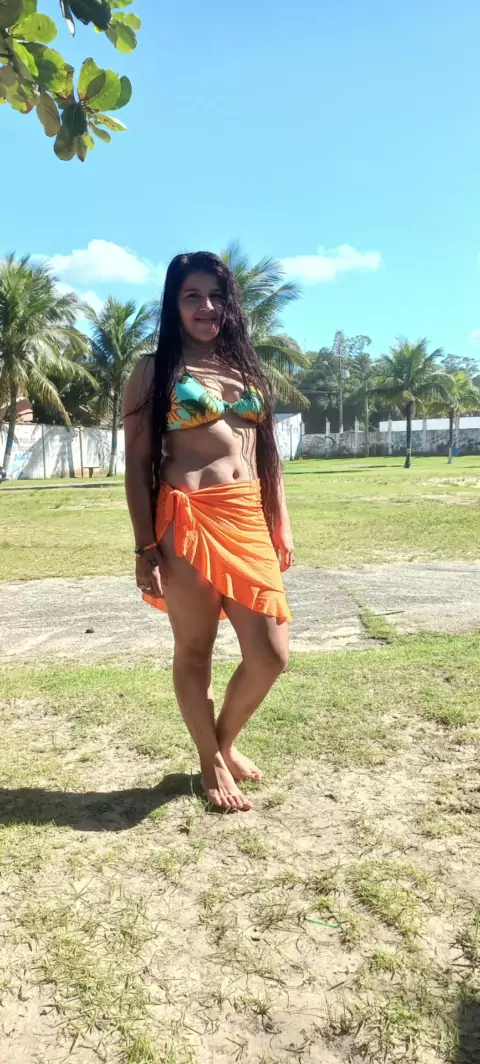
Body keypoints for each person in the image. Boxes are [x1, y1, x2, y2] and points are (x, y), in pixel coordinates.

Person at [122, 251, 294, 812]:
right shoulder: (154, 370)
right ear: (174, 304)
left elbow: (266, 455)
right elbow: (137, 462)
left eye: (217, 296)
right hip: (187, 518)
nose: (207, 307)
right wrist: (145, 545)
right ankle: (211, 760)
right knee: (195, 648)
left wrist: (280, 521)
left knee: (270, 652)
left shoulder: (246, 368)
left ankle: (222, 741)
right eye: (193, 296)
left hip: (247, 517)